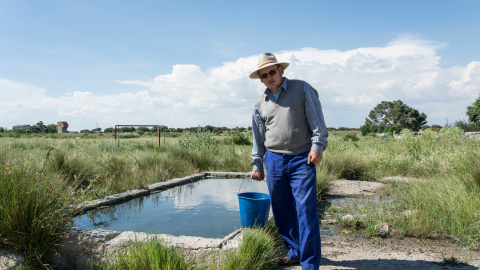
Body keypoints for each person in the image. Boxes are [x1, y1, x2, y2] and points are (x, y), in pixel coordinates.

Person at [249, 52, 328, 270]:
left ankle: (310, 264)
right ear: (261, 79)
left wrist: (317, 147)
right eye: (264, 75)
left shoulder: (302, 88)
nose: (269, 77)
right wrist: (257, 164)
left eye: (272, 72)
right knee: (282, 211)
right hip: (273, 160)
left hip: (302, 159)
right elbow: (258, 137)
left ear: (281, 70)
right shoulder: (260, 103)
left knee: (305, 211)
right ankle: (295, 251)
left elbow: (317, 121)